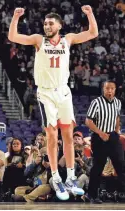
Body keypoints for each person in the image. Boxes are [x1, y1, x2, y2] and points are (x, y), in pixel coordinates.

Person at [8, 5, 98, 200]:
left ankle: (71, 177)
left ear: (59, 24)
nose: (47, 26)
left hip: (64, 92)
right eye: (45, 23)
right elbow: (13, 37)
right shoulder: (39, 40)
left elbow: (93, 32)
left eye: (50, 23)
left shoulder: (68, 40)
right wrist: (16, 17)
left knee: (67, 135)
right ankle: (56, 177)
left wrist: (90, 14)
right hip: (46, 93)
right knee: (51, 134)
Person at [85, 80, 125, 203]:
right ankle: (91, 195)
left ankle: (122, 192)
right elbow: (88, 121)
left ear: (115, 90)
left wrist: (117, 131)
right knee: (98, 166)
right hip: (99, 137)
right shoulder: (96, 102)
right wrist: (100, 133)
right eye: (107, 88)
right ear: (103, 89)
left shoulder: (118, 102)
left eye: (112, 88)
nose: (109, 91)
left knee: (121, 164)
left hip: (112, 136)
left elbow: (117, 117)